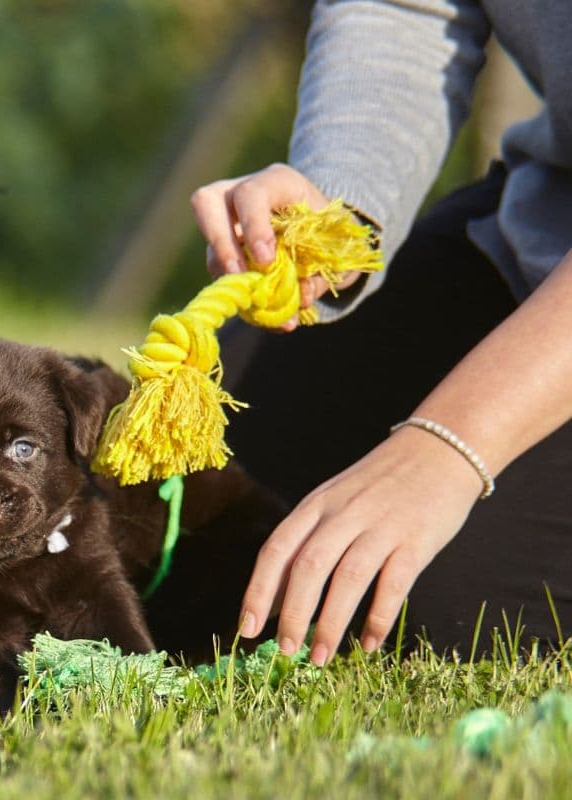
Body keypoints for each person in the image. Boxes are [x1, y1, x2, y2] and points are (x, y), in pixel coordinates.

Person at [188, 0, 572, 666]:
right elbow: (405, 10)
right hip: (551, 215)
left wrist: (446, 446)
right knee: (221, 463)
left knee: (437, 605)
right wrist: (336, 211)